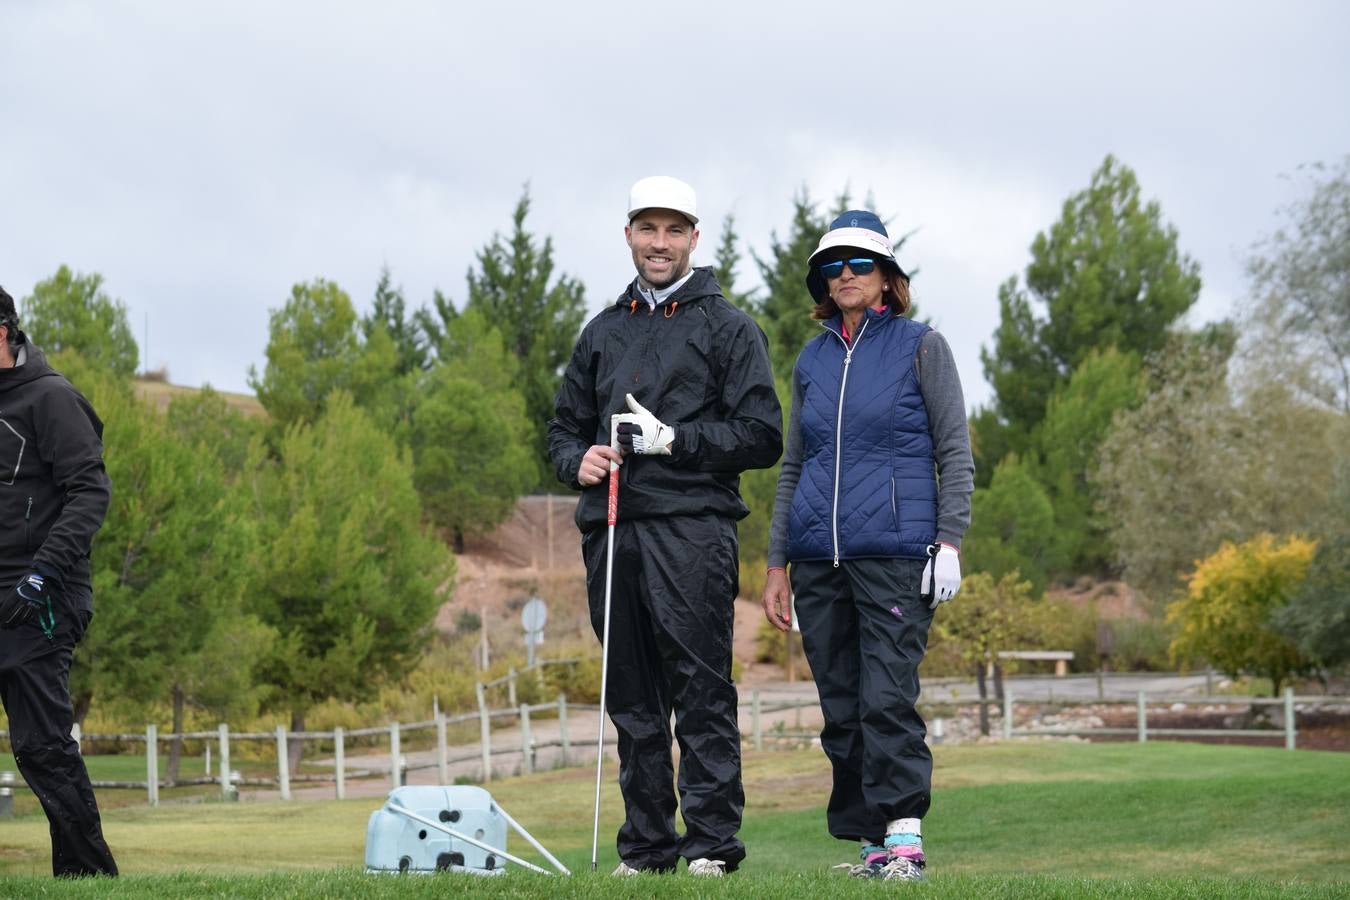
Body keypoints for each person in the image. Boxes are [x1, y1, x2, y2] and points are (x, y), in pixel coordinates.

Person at [548, 176, 782, 877]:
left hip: (693, 530)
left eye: (673, 230)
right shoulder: (602, 331)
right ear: (628, 235)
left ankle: (711, 845)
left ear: (693, 238)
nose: (659, 242)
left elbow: (761, 435)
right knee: (632, 696)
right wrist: (577, 460)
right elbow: (562, 431)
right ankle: (647, 849)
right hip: (613, 531)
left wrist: (671, 441)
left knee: (700, 691)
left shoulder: (728, 327)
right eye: (647, 229)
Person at [760, 211, 973, 882]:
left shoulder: (921, 346)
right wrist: (776, 562)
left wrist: (949, 540)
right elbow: (794, 464)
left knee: (886, 699)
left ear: (886, 276)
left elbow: (955, 452)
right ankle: (872, 847)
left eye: (858, 263)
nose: (844, 275)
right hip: (819, 561)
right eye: (832, 266)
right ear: (821, 280)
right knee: (843, 707)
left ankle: (906, 837)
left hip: (897, 554)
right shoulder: (813, 358)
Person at [0, 285, 119, 877]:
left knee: (42, 746)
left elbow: (91, 491)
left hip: (41, 596)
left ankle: (88, 877)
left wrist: (42, 575)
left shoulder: (50, 398)